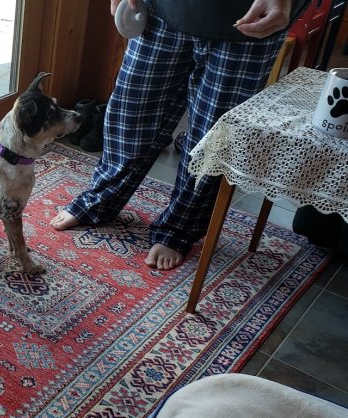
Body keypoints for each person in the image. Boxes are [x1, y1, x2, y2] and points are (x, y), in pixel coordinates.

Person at [50, 0, 296, 270]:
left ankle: (179, 226)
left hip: (245, 19)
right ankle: (101, 199)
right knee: (129, 113)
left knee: (211, 136)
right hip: (162, 7)